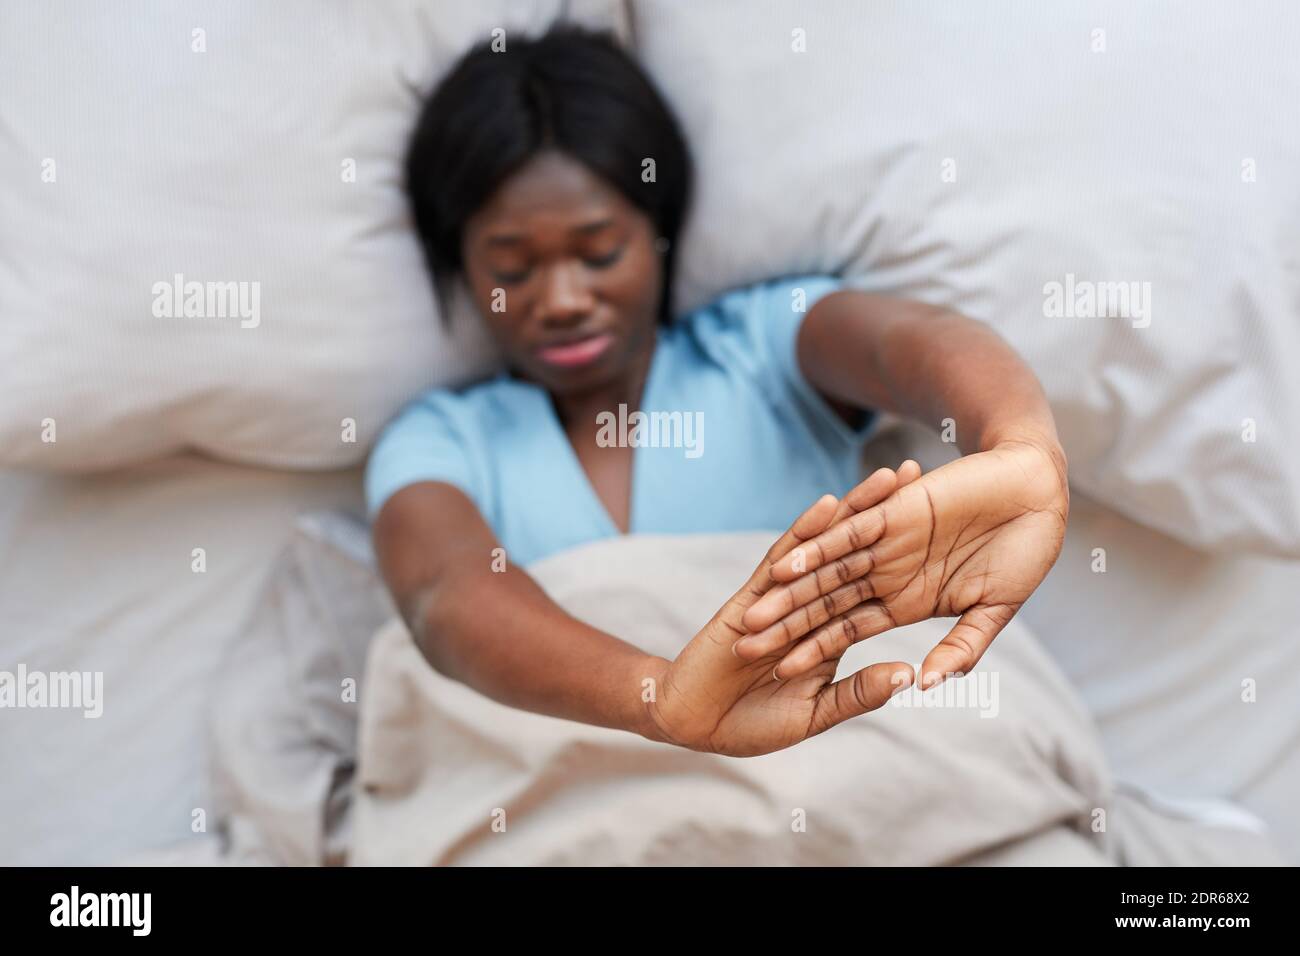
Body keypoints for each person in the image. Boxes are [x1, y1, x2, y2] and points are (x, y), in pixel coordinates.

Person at [367, 28, 1068, 757]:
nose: (565, 299)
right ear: (461, 267)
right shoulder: (438, 441)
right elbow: (444, 597)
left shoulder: (761, 349)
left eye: (601, 252)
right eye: (513, 270)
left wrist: (1019, 440)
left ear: (659, 231)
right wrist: (659, 700)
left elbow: (912, 343)